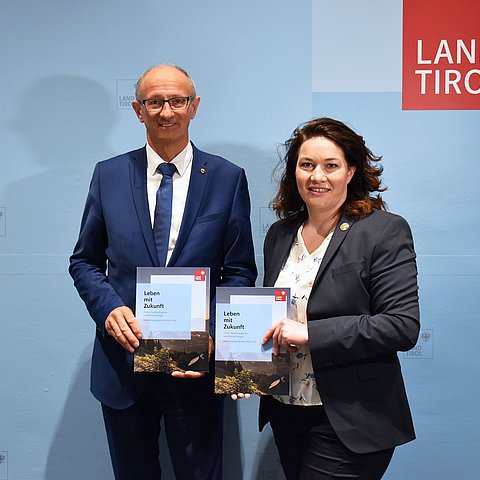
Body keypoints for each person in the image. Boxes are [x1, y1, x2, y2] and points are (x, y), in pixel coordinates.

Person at [69, 64, 257, 480]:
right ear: (138, 110)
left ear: (194, 107)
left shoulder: (227, 178)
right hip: (123, 364)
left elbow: (240, 269)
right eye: (154, 102)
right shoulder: (109, 175)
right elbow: (84, 260)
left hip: (195, 365)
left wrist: (216, 331)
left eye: (177, 100)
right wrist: (108, 309)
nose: (166, 111)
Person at [259, 117, 420, 480]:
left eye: (331, 166)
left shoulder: (383, 231)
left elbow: (402, 326)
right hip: (287, 410)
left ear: (351, 171)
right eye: (306, 165)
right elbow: (273, 319)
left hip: (351, 417)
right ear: (293, 172)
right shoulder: (280, 234)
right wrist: (245, 370)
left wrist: (311, 334)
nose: (317, 176)